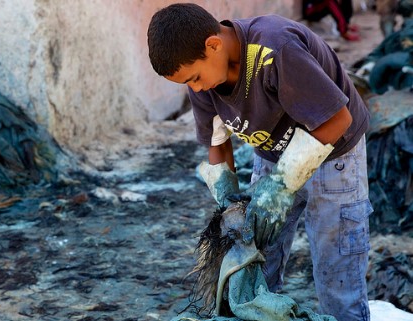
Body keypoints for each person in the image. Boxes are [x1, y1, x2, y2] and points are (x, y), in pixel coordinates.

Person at [147, 3, 372, 321]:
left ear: (213, 45)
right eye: (188, 83)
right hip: (273, 153)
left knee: (336, 272)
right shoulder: (203, 80)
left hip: (334, 153)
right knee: (253, 262)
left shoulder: (275, 48)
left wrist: (280, 185)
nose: (195, 88)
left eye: (196, 77)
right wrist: (228, 202)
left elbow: (338, 120)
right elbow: (218, 142)